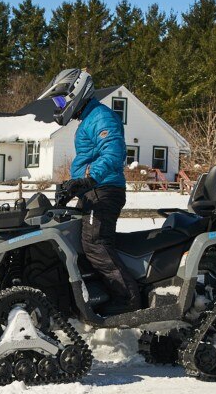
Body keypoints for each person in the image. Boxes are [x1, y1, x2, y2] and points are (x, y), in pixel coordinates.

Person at [41, 68, 142, 315]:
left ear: (78, 92)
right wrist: (72, 187)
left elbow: (114, 153)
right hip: (93, 189)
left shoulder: (101, 117)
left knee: (95, 243)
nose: (59, 105)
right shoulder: (89, 119)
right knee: (73, 241)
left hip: (104, 190)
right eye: (56, 101)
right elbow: (89, 159)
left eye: (61, 99)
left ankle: (128, 300)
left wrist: (87, 180)